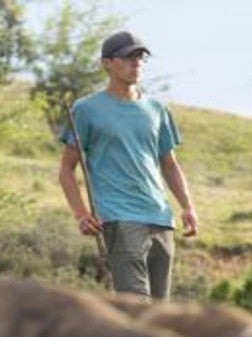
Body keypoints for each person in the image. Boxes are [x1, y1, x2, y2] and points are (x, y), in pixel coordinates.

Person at [58, 30, 199, 301]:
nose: (137, 64)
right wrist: (81, 214)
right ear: (107, 63)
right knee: (138, 308)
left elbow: (170, 165)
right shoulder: (86, 109)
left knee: (159, 315)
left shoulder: (157, 110)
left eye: (141, 57)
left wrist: (187, 206)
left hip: (161, 219)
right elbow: (66, 169)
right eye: (128, 58)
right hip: (119, 219)